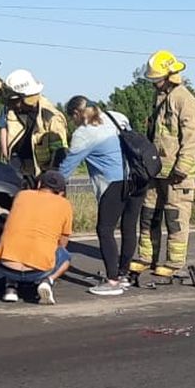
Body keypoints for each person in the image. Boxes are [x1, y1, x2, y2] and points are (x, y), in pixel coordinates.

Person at [131, 49, 195, 280]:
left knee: (175, 219)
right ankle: (145, 257)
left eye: (156, 80)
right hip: (156, 170)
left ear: (170, 76)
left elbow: (192, 139)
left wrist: (182, 168)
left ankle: (174, 262)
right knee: (149, 214)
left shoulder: (185, 100)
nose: (154, 84)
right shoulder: (160, 97)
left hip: (177, 174)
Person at [61, 96, 140, 296]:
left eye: (73, 118)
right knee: (128, 227)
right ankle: (123, 275)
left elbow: (67, 167)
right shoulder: (116, 117)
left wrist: (47, 185)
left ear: (77, 114)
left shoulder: (84, 133)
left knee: (105, 230)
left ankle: (112, 281)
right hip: (138, 178)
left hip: (113, 183)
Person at [0, 170, 74, 305]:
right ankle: (47, 281)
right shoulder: (65, 204)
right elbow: (63, 241)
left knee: (9, 242)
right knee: (65, 257)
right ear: (61, 192)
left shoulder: (22, 195)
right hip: (37, 271)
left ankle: (10, 287)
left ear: (39, 183)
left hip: (4, 267)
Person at [0, 69, 68, 184]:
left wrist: (49, 181)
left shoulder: (51, 118)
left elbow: (60, 153)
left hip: (40, 173)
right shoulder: (15, 102)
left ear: (27, 98)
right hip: (17, 165)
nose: (10, 104)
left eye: (14, 101)